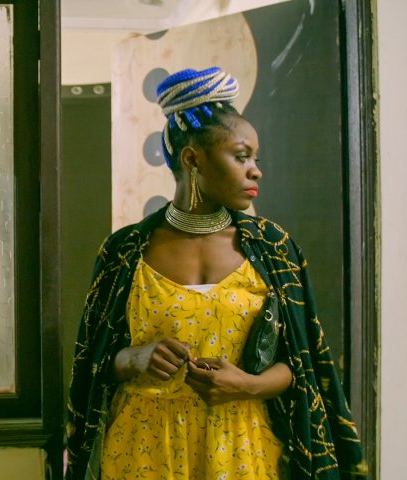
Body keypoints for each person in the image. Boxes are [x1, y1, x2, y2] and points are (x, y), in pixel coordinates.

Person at [64, 67, 366, 479]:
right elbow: (93, 364)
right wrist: (136, 357)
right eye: (241, 156)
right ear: (192, 158)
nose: (255, 170)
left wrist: (249, 386)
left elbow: (304, 362)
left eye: (256, 158)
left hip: (244, 449)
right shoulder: (123, 252)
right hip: (144, 450)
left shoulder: (273, 249)